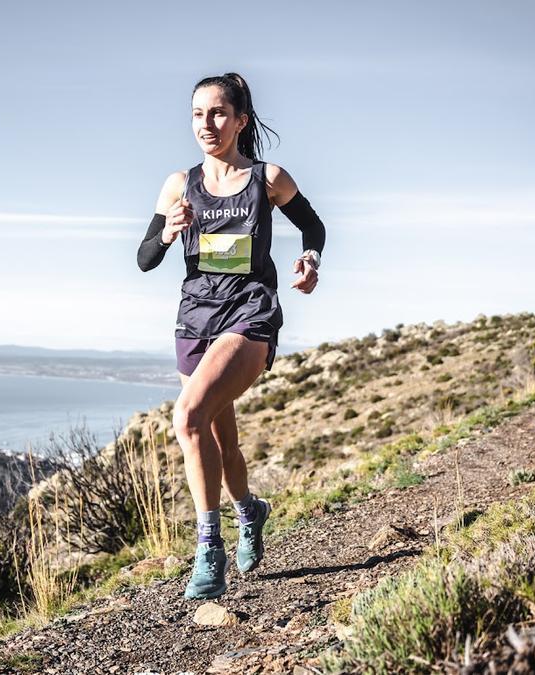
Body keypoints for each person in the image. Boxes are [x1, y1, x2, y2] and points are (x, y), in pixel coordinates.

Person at [136, 72, 327, 599]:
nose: (206, 124)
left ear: (241, 120)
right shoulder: (179, 184)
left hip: (249, 314)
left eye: (218, 113)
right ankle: (250, 511)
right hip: (195, 321)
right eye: (197, 114)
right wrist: (168, 232)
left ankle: (207, 549)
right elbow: (145, 258)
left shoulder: (268, 178)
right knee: (222, 441)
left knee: (186, 417)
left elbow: (313, 226)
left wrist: (310, 258)